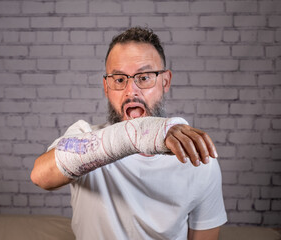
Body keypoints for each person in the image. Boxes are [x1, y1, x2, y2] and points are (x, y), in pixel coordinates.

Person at [31, 27, 227, 240]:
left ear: (166, 81)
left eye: (144, 78)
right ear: (106, 87)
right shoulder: (83, 138)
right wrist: (135, 136)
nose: (131, 90)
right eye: (119, 79)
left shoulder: (196, 156)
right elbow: (40, 176)